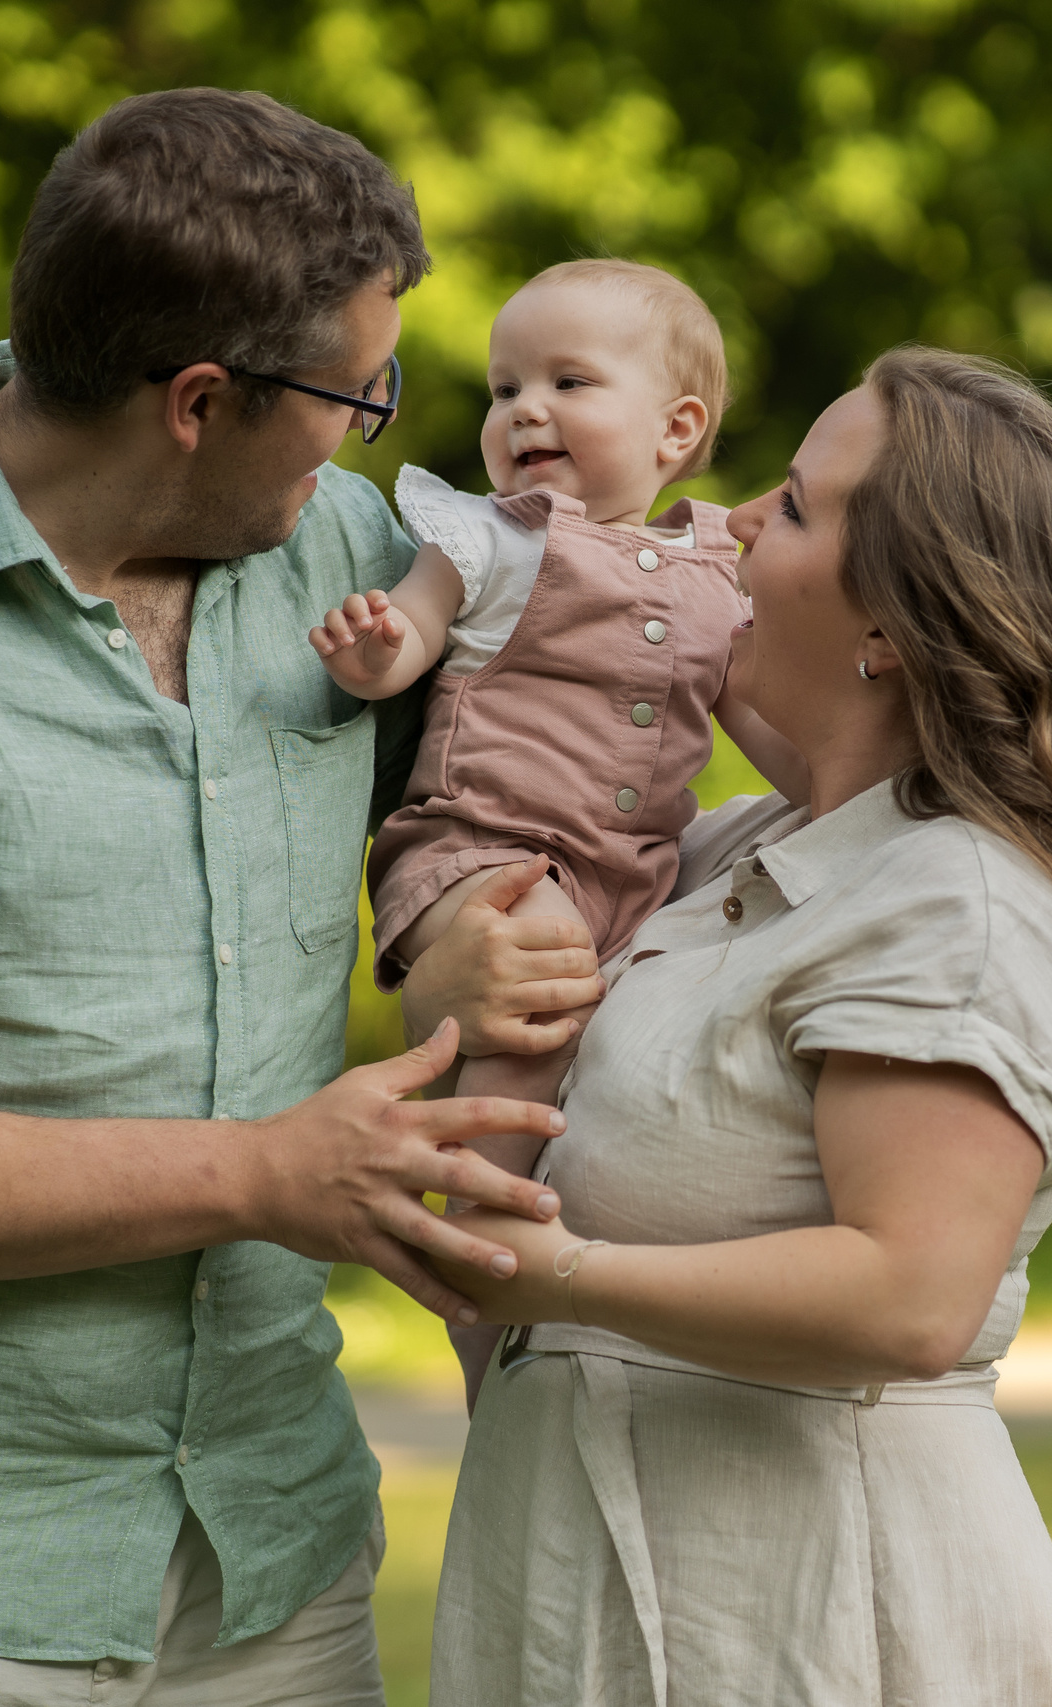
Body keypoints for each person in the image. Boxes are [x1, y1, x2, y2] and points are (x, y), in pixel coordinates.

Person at [0, 88, 581, 1703]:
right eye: (355, 392)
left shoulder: (350, 561)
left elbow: (543, 781)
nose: (371, 431)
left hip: (273, 1568)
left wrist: (465, 942)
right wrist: (264, 1172)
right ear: (201, 400)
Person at [416, 347, 1052, 1704]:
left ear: (895, 625)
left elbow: (911, 1291)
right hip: (595, 1591)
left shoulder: (956, 905)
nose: (729, 522)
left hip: (819, 1616)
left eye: (792, 506)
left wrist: (552, 1276)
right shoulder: (748, 851)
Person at [306, 258, 798, 1400]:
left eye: (568, 382)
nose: (523, 409)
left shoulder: (716, 575)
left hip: (632, 871)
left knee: (624, 1051)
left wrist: (840, 794)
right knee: (535, 986)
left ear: (677, 427)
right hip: (482, 850)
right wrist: (375, 649)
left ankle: (565, 1264)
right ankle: (482, 1248)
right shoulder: (489, 538)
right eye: (502, 387)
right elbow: (412, 642)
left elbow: (761, 724)